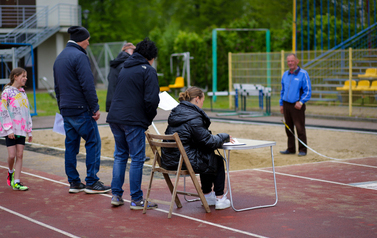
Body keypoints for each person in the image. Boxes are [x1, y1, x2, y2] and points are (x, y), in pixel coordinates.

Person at [53, 26, 110, 194]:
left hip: (66, 109)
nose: (89, 42)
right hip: (81, 109)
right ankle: (92, 181)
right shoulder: (80, 56)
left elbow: (57, 87)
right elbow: (88, 85)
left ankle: (74, 182)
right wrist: (95, 108)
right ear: (81, 39)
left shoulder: (59, 58)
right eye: (87, 39)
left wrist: (61, 106)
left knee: (71, 145)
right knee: (93, 142)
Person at [106, 37, 160, 209]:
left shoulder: (124, 68)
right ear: (151, 57)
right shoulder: (148, 71)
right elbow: (151, 100)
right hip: (133, 119)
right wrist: (147, 120)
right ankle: (136, 199)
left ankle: (116, 195)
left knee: (120, 156)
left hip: (116, 117)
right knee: (137, 158)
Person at [161, 86, 233, 210]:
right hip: (184, 162)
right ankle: (220, 198)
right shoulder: (193, 117)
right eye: (202, 101)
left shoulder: (176, 113)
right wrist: (224, 136)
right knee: (217, 161)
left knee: (207, 156)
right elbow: (208, 141)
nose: (202, 104)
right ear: (197, 99)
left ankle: (207, 195)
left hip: (169, 160)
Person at [0, 67, 32, 191]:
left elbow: (26, 112)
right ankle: (10, 171)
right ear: (15, 77)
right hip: (11, 130)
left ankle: (17, 181)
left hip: (22, 129)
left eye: (26, 76)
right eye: (23, 76)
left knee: (20, 154)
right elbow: (3, 110)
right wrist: (9, 130)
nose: (25, 78)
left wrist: (29, 130)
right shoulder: (6, 92)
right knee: (12, 155)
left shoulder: (23, 93)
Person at [279, 53, 311, 157]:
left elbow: (308, 91)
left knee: (300, 128)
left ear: (297, 61)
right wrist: (281, 104)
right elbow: (282, 90)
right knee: (288, 128)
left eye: (292, 61)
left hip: (297, 106)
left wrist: (301, 102)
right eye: (288, 61)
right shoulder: (285, 74)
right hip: (286, 104)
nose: (290, 63)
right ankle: (291, 148)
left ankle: (302, 150)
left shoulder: (303, 74)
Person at [106, 42, 136, 112]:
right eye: (133, 51)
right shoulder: (127, 63)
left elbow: (109, 78)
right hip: (124, 101)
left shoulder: (116, 63)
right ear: (127, 51)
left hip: (113, 100)